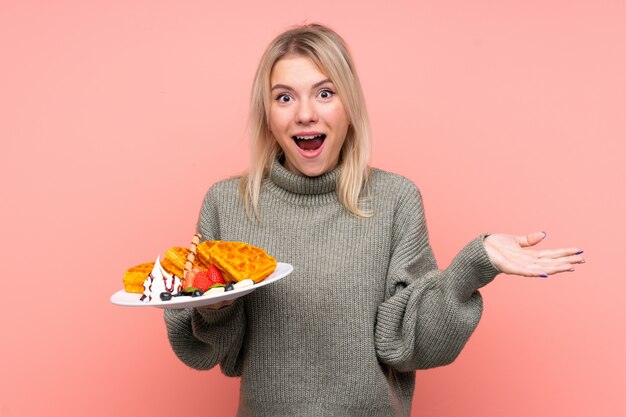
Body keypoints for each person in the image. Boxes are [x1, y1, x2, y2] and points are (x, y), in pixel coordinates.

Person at [163, 24, 584, 417]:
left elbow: (407, 343)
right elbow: (211, 351)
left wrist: (471, 267)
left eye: (325, 93)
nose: (305, 114)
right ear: (267, 114)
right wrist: (215, 306)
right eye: (285, 97)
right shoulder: (227, 204)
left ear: (349, 105)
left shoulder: (396, 199)